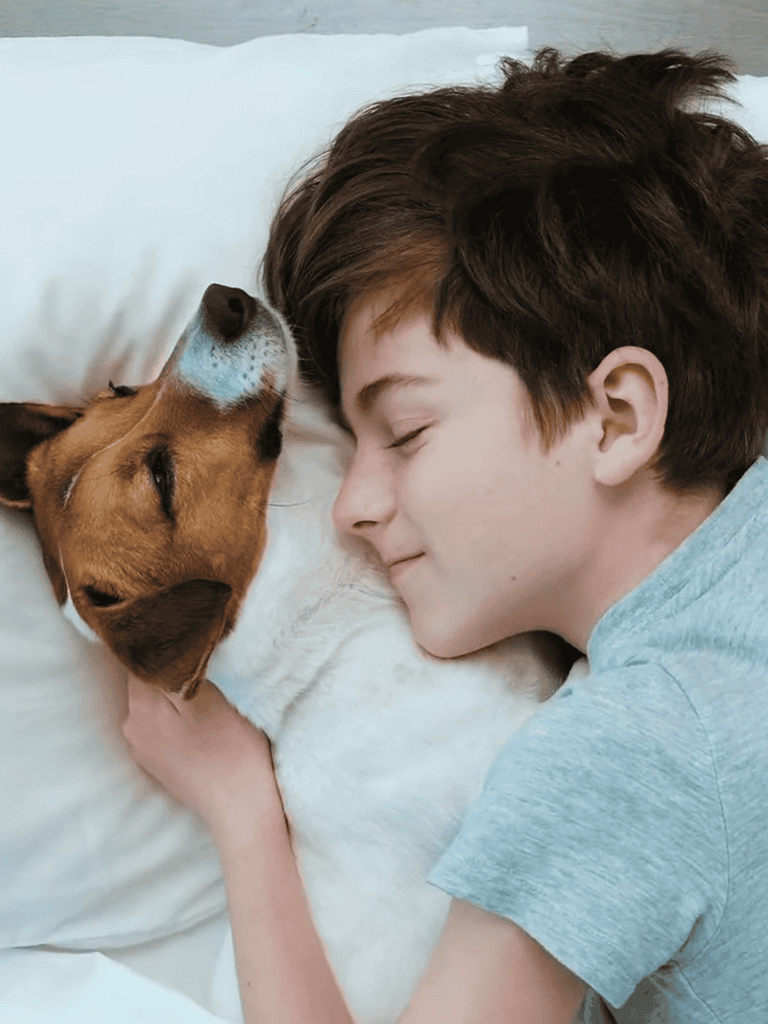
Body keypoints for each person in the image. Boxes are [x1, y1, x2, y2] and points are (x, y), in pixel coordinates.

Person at [122, 47, 768, 1023]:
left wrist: (244, 813)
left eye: (406, 431)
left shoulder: (621, 757)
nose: (350, 505)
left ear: (619, 416)